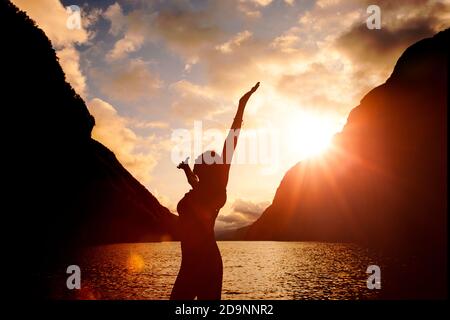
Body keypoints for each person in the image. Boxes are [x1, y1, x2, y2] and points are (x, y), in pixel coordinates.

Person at [170, 82, 260, 300]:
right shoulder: (201, 190)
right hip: (189, 266)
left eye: (203, 159)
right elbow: (194, 182)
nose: (201, 159)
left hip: (207, 265)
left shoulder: (215, 189)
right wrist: (186, 170)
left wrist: (241, 105)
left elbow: (232, 140)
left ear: (209, 168)